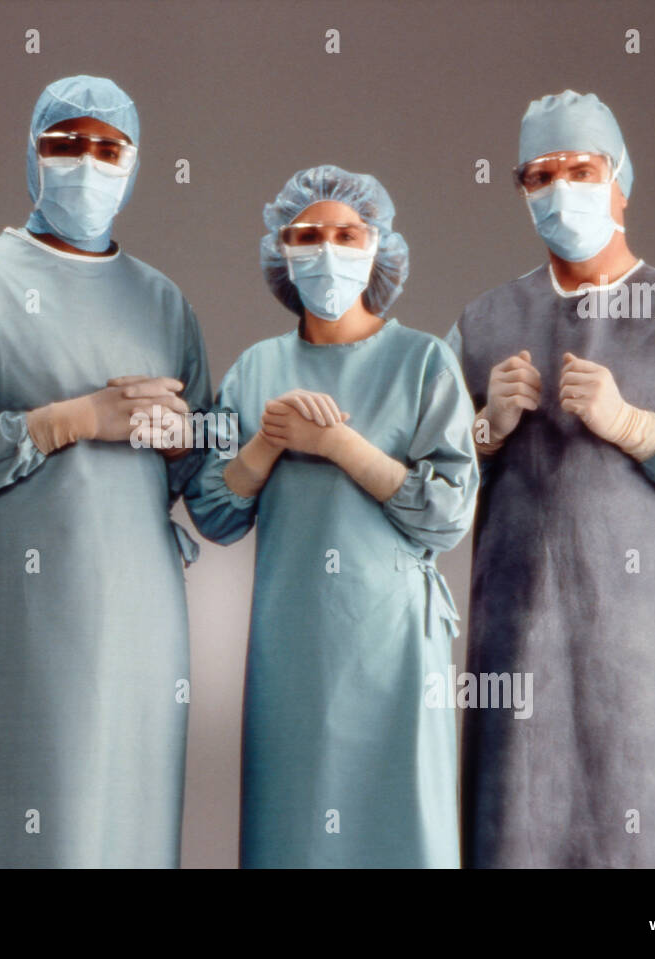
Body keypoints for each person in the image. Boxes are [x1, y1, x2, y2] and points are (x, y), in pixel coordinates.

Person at [447, 90, 655, 868]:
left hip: (642, 667)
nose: (560, 187)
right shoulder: (482, 325)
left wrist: (644, 429)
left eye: (580, 168)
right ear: (521, 190)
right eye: (539, 174)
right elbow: (418, 488)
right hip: (515, 664)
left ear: (620, 179)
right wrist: (481, 430)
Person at [0, 75, 211, 868]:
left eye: (108, 148)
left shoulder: (164, 303)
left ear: (135, 164)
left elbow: (213, 455)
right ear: (33, 155)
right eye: (65, 144)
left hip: (143, 619)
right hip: (20, 618)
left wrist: (187, 437)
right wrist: (66, 420)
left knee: (131, 832)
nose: (87, 163)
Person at [186, 165, 479, 867]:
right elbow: (215, 512)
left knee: (398, 826)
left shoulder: (424, 362)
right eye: (307, 235)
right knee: (296, 831)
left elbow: (447, 513)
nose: (327, 249)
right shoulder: (257, 369)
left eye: (348, 234)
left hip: (394, 647)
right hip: (292, 648)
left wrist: (343, 447)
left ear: (379, 244)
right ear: (281, 250)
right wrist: (268, 440)